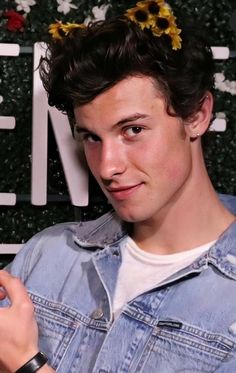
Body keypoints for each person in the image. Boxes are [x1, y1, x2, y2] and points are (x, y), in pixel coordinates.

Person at [1, 1, 236, 372]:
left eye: (133, 130)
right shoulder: (46, 259)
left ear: (197, 116)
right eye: (92, 138)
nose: (108, 166)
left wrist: (26, 364)